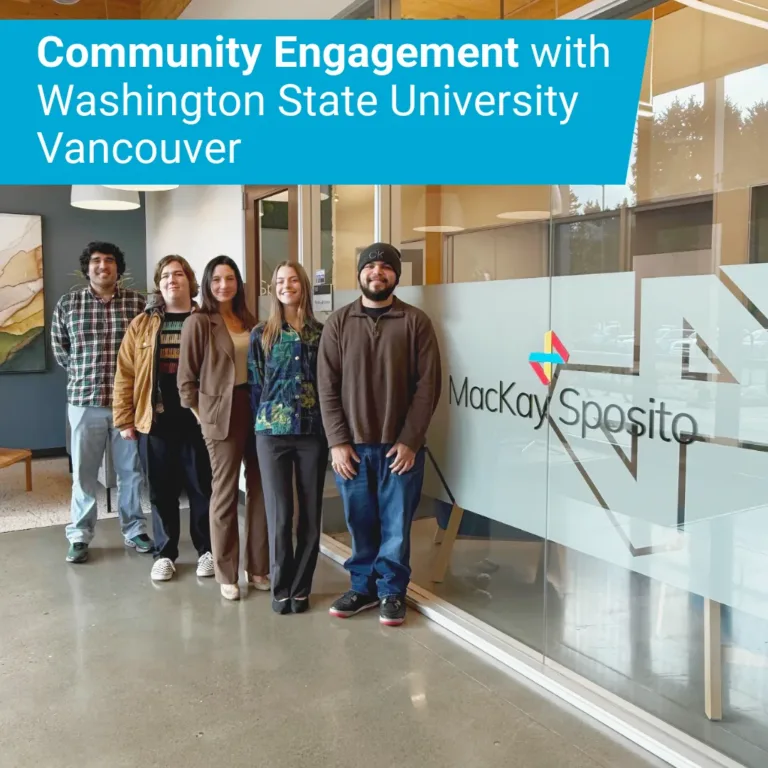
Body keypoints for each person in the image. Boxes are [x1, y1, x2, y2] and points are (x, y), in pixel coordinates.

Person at [317, 242, 442, 626]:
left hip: (398, 449)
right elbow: (326, 386)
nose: (377, 272)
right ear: (359, 274)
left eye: (386, 267)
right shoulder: (338, 323)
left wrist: (410, 440)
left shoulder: (415, 322)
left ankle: (391, 591)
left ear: (396, 276)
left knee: (395, 526)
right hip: (351, 450)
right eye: (370, 267)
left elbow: (428, 386)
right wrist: (337, 442)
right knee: (360, 522)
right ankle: (363, 587)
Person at [113, 255, 214, 583]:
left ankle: (206, 551)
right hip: (155, 419)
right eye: (166, 276)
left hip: (198, 418)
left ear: (190, 280)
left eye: (179, 274)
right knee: (161, 489)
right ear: (159, 284)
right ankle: (165, 553)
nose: (173, 280)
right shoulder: (142, 324)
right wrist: (125, 419)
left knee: (202, 486)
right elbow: (125, 374)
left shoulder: (208, 320)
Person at [51, 241, 153, 563]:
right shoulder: (68, 304)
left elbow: (147, 349)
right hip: (85, 401)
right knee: (83, 472)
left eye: (109, 260)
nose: (102, 266)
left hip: (129, 406)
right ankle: (80, 534)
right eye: (96, 261)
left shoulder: (138, 304)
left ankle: (134, 528)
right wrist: (85, 374)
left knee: (131, 472)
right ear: (87, 268)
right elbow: (61, 350)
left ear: (118, 268)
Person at [177, 256, 269, 601]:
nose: (223, 285)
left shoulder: (248, 319)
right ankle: (226, 572)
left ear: (238, 283)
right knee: (226, 493)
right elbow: (186, 383)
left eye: (230, 279)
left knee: (260, 491)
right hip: (221, 413)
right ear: (207, 283)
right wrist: (205, 419)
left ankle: (259, 567)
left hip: (257, 409)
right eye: (217, 279)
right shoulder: (199, 321)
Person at [248, 261, 326, 615]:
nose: (286, 285)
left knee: (310, 514)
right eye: (280, 281)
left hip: (312, 432)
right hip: (272, 434)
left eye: (293, 279)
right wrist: (260, 426)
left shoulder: (322, 333)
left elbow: (329, 384)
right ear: (273, 289)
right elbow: (255, 386)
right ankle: (281, 587)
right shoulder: (261, 333)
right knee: (280, 514)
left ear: (304, 286)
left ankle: (301, 587)